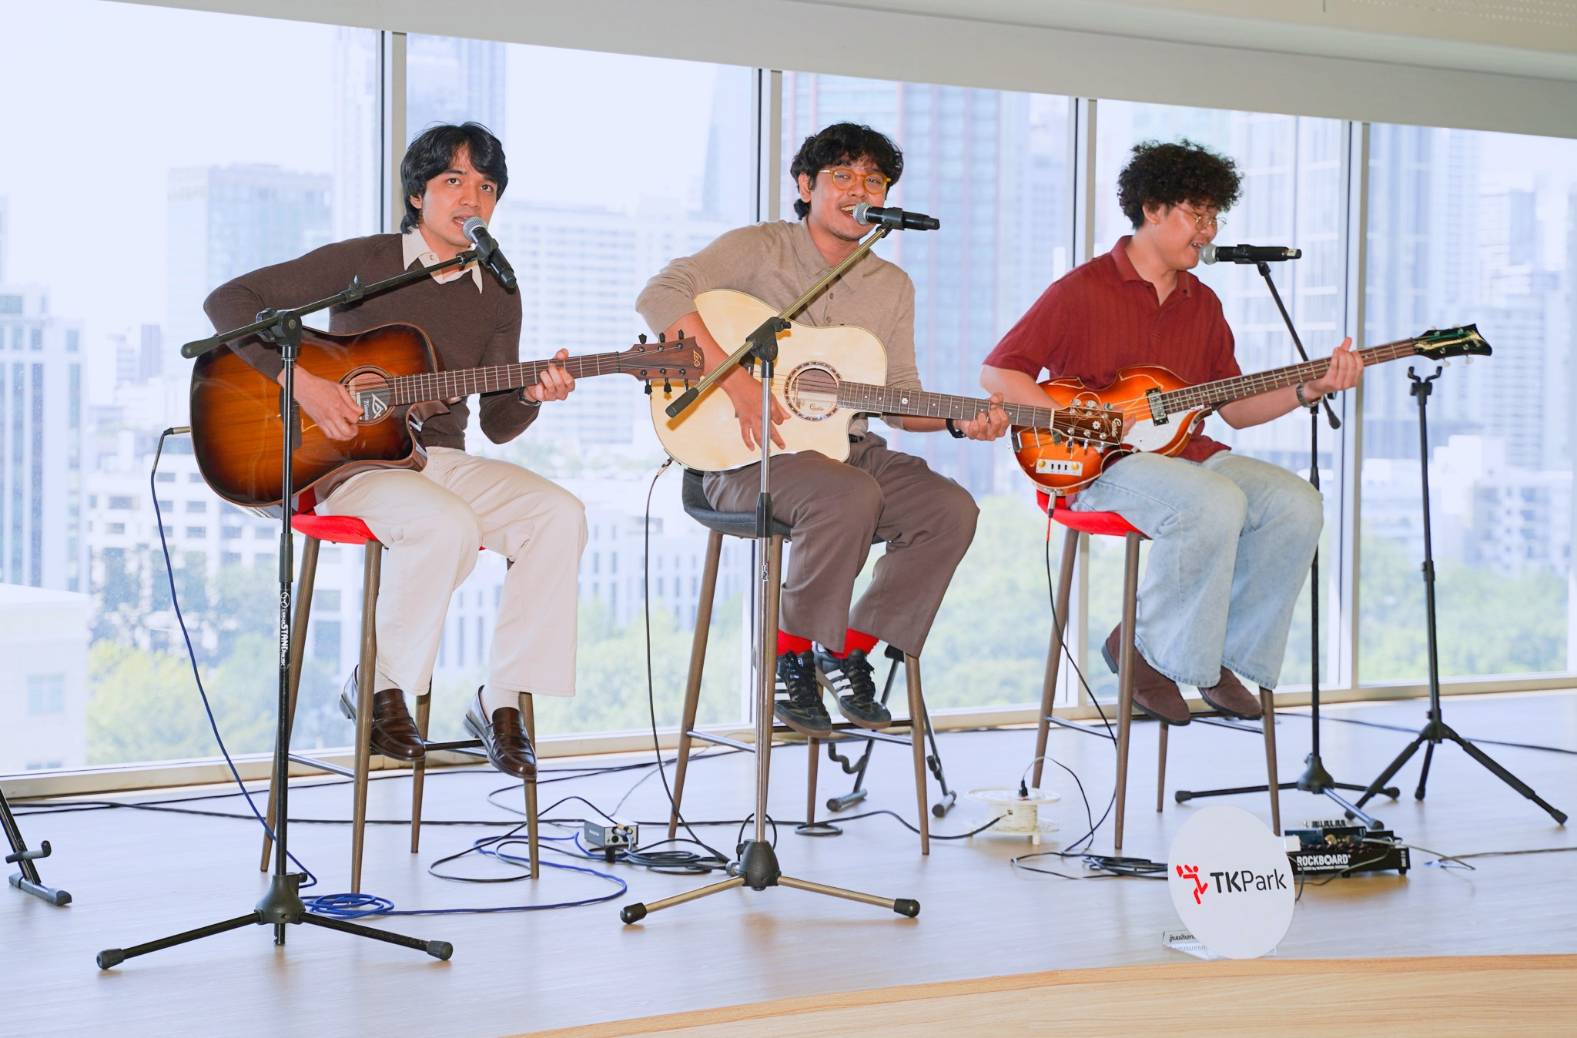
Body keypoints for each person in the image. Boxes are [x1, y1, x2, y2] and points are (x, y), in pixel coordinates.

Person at [205, 122, 586, 777]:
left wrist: (531, 394)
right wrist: (307, 385)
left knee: (560, 514)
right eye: (453, 180)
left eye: (486, 186)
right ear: (418, 195)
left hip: (440, 459)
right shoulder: (368, 262)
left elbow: (498, 423)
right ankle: (379, 686)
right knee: (445, 524)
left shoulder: (499, 289)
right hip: (350, 464)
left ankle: (501, 701)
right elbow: (229, 301)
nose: (471, 197)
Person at [637, 122, 1008, 737]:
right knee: (848, 495)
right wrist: (739, 384)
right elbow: (660, 293)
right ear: (806, 186)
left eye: (874, 180)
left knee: (949, 509)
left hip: (845, 449)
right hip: (741, 456)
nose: (859, 189)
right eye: (842, 175)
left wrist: (959, 419)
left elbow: (899, 398)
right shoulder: (759, 248)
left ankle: (846, 648)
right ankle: (788, 655)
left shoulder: (892, 286)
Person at [981, 139, 1362, 726]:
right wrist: (1078, 421)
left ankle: (1218, 657)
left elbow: (1235, 409)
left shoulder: (1202, 303)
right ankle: (1148, 653)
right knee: (1211, 501)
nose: (1208, 231)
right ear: (1153, 209)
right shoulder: (1081, 290)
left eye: (1214, 217)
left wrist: (1310, 388)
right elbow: (999, 373)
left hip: (1188, 456)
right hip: (1097, 466)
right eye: (1197, 215)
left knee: (1297, 504)